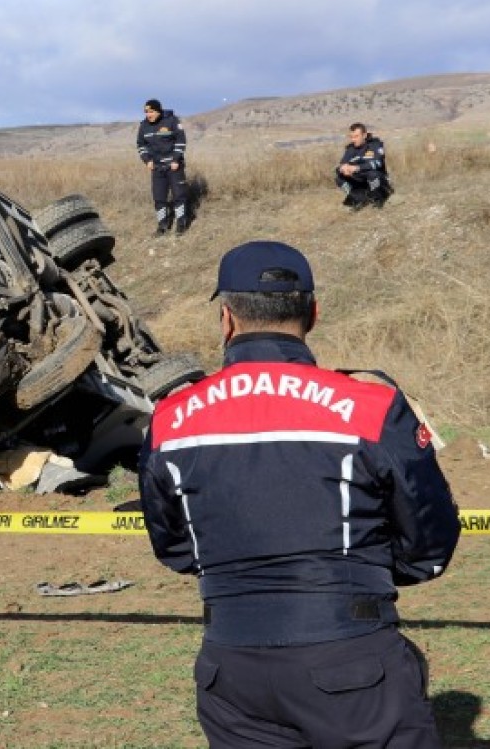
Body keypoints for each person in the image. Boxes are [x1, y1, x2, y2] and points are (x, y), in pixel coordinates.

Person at [138, 240, 460, 747]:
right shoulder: (370, 405)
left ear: (226, 319)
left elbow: (174, 545)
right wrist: (358, 576)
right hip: (352, 657)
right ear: (313, 312)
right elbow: (430, 534)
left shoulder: (171, 418)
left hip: (231, 668)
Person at [136, 98, 191, 234]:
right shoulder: (144, 126)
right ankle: (162, 226)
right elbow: (141, 145)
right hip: (157, 167)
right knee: (159, 198)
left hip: (174, 166)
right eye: (146, 112)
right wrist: (147, 160)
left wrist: (175, 159)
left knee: (179, 195)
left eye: (152, 111)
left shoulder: (172, 121)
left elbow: (181, 141)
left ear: (158, 111)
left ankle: (181, 224)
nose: (149, 114)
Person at [336, 122, 394, 210]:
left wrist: (357, 168)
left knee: (373, 174)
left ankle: (377, 201)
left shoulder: (375, 144)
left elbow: (378, 163)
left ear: (364, 135)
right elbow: (343, 163)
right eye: (351, 137)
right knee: (339, 176)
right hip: (362, 181)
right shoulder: (350, 148)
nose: (353, 140)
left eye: (356, 136)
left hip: (379, 181)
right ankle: (358, 198)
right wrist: (344, 169)